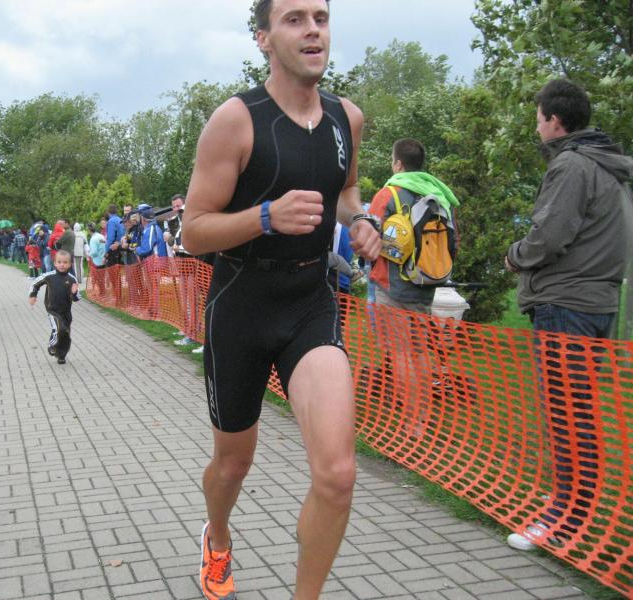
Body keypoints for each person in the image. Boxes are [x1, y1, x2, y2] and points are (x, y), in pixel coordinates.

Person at [180, 1, 381, 598]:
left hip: (309, 301)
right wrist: (265, 216)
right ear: (264, 38)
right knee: (233, 464)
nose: (313, 29)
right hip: (241, 304)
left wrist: (360, 219)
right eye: (294, 19)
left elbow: (346, 190)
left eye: (320, 17)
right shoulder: (236, 120)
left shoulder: (347, 117)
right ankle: (218, 538)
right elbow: (194, 231)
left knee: (338, 474)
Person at [504, 79, 633, 551]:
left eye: (538, 118)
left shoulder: (572, 165)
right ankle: (573, 499)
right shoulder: (607, 166)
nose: (536, 126)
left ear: (555, 121)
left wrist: (515, 255)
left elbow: (548, 237)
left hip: (566, 306)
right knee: (577, 411)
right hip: (596, 303)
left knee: (567, 416)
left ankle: (564, 519)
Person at [367, 138, 460, 435]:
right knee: (420, 353)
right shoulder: (439, 195)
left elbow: (369, 236)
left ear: (397, 163)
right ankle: (424, 415)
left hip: (391, 286)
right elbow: (453, 242)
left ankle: (413, 422)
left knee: (401, 355)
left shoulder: (388, 193)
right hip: (426, 284)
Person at [28, 249, 80, 365]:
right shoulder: (49, 276)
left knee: (65, 333)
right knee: (59, 328)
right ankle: (52, 345)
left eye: (65, 262)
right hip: (53, 310)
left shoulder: (72, 279)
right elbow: (35, 283)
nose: (62, 265)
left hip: (66, 312)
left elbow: (77, 298)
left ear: (70, 264)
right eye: (59, 262)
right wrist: (33, 295)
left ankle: (61, 355)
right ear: (55, 263)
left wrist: (75, 292)